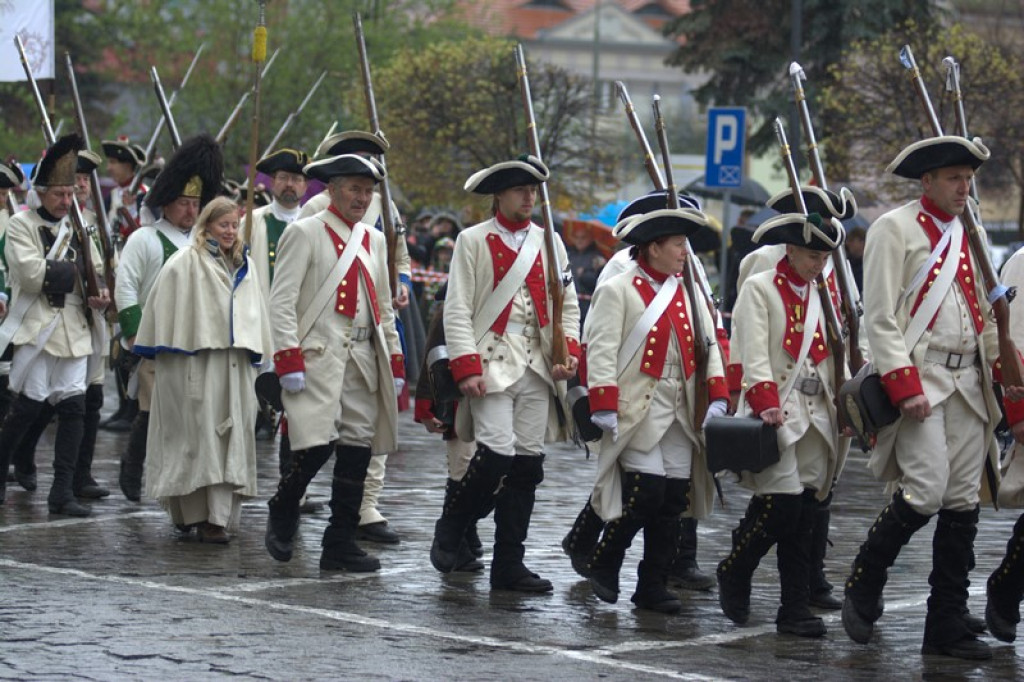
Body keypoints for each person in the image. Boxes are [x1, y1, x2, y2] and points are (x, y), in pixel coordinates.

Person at [841, 135, 1024, 660]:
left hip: (968, 386)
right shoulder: (892, 229)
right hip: (921, 381)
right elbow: (877, 317)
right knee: (923, 490)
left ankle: (944, 624)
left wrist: (1004, 371)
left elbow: (986, 316)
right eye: (953, 179)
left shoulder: (971, 232)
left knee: (962, 503)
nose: (963, 188)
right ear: (927, 181)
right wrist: (903, 386)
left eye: (968, 179)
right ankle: (865, 578)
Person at [429, 155, 581, 593]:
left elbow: (567, 305)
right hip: (491, 360)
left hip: (536, 366)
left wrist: (566, 351)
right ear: (499, 195)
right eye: (520, 190)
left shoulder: (549, 240)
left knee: (527, 466)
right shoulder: (473, 241)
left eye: (533, 190)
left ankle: (508, 565)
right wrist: (466, 367)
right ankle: (454, 522)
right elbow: (457, 308)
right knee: (495, 454)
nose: (529, 197)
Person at [562, 190, 722, 594]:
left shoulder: (686, 290)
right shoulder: (620, 285)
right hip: (639, 404)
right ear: (654, 247)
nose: (686, 252)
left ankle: (652, 586)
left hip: (680, 408)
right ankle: (605, 561)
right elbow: (599, 347)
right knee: (646, 492)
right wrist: (603, 400)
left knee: (673, 500)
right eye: (679, 244)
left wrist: (718, 394)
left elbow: (709, 344)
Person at [263, 153, 404, 572]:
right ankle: (284, 504)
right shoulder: (305, 233)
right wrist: (287, 359)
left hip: (362, 357)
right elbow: (282, 301)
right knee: (316, 444)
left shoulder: (374, 241)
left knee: (358, 450)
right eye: (354, 189)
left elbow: (382, 307)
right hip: (317, 356)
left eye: (368, 191)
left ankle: (339, 542)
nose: (362, 198)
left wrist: (394, 360)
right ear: (332, 189)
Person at [718, 212, 848, 638]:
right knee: (783, 506)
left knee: (806, 513)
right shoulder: (759, 289)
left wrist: (848, 408)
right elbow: (753, 350)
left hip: (817, 411)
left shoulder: (824, 293)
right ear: (790, 250)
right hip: (780, 407)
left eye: (825, 257)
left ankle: (793, 608)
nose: (819, 265)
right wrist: (764, 401)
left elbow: (837, 354)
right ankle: (735, 569)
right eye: (813, 255)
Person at [133, 197, 271, 542]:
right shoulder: (184, 263)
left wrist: (263, 353)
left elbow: (256, 313)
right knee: (195, 437)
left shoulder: (246, 265)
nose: (229, 231)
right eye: (223, 224)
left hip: (235, 365)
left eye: (234, 225)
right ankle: (189, 511)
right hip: (194, 364)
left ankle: (217, 518)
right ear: (207, 225)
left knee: (231, 438)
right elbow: (164, 312)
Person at [298, 130, 413, 544]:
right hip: (325, 333)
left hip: (372, 327)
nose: (364, 191)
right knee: (320, 431)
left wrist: (401, 281)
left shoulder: (385, 208)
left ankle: (365, 506)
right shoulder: (314, 209)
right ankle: (292, 497)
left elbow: (397, 254)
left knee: (370, 426)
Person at [0, 133, 109, 515]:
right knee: (27, 408)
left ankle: (61, 491)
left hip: (75, 326)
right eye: (59, 195)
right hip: (37, 325)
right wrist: (77, 272)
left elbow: (95, 269)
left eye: (70, 194)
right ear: (41, 193)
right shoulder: (21, 225)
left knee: (75, 407)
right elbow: (30, 274)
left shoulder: (81, 227)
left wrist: (101, 292)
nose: (67, 201)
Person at [114, 134, 223, 502]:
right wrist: (134, 335)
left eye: (195, 204)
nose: (190, 212)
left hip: (196, 341)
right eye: (182, 203)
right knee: (149, 412)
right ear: (166, 203)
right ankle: (133, 465)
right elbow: (126, 288)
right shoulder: (144, 239)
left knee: (188, 419)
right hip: (156, 340)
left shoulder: (206, 244)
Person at [248, 148, 309, 443]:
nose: (290, 184)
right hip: (257, 317)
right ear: (272, 181)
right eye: (284, 177)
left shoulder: (314, 224)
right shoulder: (252, 221)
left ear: (305, 185)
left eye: (297, 179)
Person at [101, 136, 147, 242]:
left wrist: (130, 209)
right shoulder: (111, 196)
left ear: (127, 165)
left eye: (113, 162)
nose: (108, 168)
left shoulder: (144, 194)